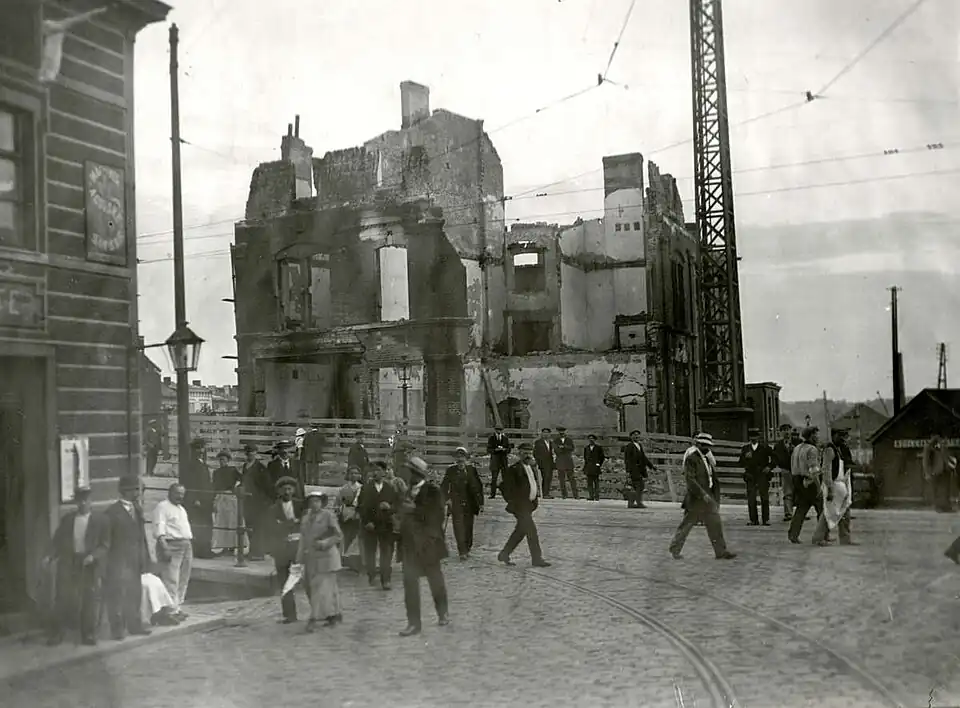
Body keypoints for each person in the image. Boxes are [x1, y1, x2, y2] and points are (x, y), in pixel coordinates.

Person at [45, 487, 108, 646]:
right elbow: (57, 542)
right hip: (68, 561)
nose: (82, 504)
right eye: (79, 501)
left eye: (85, 500)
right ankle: (57, 633)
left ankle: (88, 634)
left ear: (90, 501)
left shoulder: (100, 520)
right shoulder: (68, 519)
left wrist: (93, 556)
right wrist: (50, 556)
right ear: (75, 502)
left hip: (88, 564)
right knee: (62, 597)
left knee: (89, 599)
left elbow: (105, 545)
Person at [398, 456, 450, 637]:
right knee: (410, 585)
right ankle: (413, 623)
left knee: (436, 582)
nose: (407, 475)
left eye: (410, 472)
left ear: (417, 474)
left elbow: (437, 517)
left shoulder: (432, 491)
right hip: (410, 546)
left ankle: (443, 612)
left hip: (429, 545)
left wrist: (414, 511)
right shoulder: (407, 492)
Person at [669, 433, 737, 561]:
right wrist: (702, 494)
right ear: (698, 445)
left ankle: (721, 551)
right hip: (696, 499)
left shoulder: (707, 459)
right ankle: (675, 548)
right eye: (704, 445)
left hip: (709, 498)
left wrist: (714, 497)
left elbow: (712, 478)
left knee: (715, 524)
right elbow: (690, 479)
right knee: (686, 526)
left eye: (708, 445)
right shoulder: (691, 458)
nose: (707, 448)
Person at [104, 475, 152, 640]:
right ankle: (117, 629)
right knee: (117, 594)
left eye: (137, 489)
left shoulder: (137, 509)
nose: (138, 492)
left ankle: (134, 625)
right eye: (134, 489)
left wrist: (144, 557)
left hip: (134, 561)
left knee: (134, 593)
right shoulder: (111, 513)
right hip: (118, 561)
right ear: (125, 491)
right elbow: (108, 540)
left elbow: (141, 536)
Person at [497, 442, 551, 568]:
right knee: (531, 531)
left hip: (529, 505)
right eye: (525, 453)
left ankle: (504, 554)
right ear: (519, 453)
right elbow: (505, 488)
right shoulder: (513, 470)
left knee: (520, 531)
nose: (527, 455)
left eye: (529, 453)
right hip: (520, 507)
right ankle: (537, 559)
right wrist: (514, 503)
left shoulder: (532, 467)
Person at [297, 491, 343, 632]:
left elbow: (338, 535)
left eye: (317, 501)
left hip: (327, 556)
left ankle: (314, 618)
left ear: (322, 503)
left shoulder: (328, 516)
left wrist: (324, 543)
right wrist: (298, 558)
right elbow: (303, 539)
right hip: (312, 558)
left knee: (320, 588)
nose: (314, 504)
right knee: (320, 588)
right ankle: (334, 614)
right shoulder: (305, 518)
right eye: (312, 501)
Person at [152, 482, 193, 621]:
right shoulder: (163, 507)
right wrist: (164, 546)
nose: (180, 496)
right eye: (177, 493)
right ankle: (169, 611)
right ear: (170, 493)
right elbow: (159, 527)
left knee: (183, 578)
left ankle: (177, 607)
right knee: (171, 578)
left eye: (182, 494)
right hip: (172, 545)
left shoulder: (181, 509)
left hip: (185, 545)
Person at [811, 429, 859, 547]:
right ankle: (818, 538)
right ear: (834, 436)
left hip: (841, 484)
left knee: (844, 512)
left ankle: (845, 538)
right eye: (840, 436)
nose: (843, 439)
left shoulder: (839, 450)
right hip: (833, 484)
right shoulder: (830, 450)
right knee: (828, 513)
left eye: (844, 436)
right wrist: (830, 488)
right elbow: (826, 470)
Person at [357, 462, 400, 590]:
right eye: (373, 470)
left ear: (384, 472)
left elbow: (397, 506)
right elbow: (360, 507)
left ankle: (385, 579)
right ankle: (371, 576)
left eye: (379, 470)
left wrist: (390, 507)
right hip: (370, 525)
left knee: (386, 552)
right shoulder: (366, 488)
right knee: (370, 552)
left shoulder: (389, 488)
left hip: (385, 525)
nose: (376, 473)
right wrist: (366, 522)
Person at [269, 476, 306, 623]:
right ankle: (290, 615)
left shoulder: (301, 506)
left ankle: (319, 611)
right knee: (285, 581)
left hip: (298, 547)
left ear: (294, 490)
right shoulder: (273, 509)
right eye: (284, 489)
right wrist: (290, 523)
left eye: (290, 489)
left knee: (306, 579)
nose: (287, 492)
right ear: (279, 491)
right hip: (282, 548)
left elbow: (304, 523)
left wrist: (285, 524)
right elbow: (272, 527)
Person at [441, 447, 485, 560]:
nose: (460, 459)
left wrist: (481, 503)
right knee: (458, 527)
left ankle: (467, 548)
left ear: (466, 458)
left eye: (462, 457)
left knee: (468, 527)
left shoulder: (472, 470)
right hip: (456, 504)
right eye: (458, 457)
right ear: (455, 459)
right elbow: (444, 487)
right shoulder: (451, 471)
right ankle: (462, 551)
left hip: (470, 504)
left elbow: (478, 487)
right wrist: (447, 499)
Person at [788, 426, 824, 544]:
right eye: (816, 434)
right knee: (821, 509)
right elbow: (813, 469)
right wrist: (818, 487)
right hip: (808, 480)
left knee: (801, 508)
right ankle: (822, 536)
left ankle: (793, 534)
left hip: (796, 479)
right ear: (812, 435)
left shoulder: (797, 448)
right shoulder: (812, 449)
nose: (818, 437)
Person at [183, 438, 214, 559]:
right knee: (199, 524)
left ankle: (206, 548)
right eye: (198, 448)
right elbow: (191, 483)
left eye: (202, 448)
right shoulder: (193, 464)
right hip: (199, 500)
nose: (201, 450)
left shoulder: (202, 463)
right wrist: (195, 498)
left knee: (206, 524)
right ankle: (200, 550)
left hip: (205, 499)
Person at [240, 444, 272, 561]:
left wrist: (263, 500)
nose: (250, 454)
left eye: (252, 452)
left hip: (258, 503)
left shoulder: (260, 468)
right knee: (249, 527)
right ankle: (252, 551)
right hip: (247, 501)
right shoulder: (245, 466)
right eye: (248, 452)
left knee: (258, 528)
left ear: (256, 453)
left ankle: (258, 553)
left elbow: (267, 486)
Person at [739, 427, 774, 526]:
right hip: (750, 475)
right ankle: (753, 519)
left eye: (755, 436)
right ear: (749, 437)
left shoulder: (765, 447)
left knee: (764, 497)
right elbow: (740, 463)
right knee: (751, 498)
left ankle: (766, 519)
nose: (753, 438)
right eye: (751, 436)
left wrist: (769, 467)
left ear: (758, 437)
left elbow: (775, 458)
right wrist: (745, 458)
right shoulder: (745, 449)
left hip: (762, 474)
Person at [211, 450, 242, 556]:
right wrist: (214, 500)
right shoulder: (216, 472)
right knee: (221, 522)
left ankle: (232, 547)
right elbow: (214, 486)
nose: (221, 462)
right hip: (220, 497)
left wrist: (236, 488)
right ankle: (223, 546)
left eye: (223, 460)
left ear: (228, 461)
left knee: (231, 522)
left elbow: (241, 479)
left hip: (230, 497)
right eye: (220, 460)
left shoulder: (232, 470)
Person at [622, 430, 657, 509]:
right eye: (634, 435)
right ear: (631, 437)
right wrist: (628, 471)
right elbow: (627, 460)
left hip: (640, 469)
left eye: (638, 435)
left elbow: (643, 458)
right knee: (639, 485)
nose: (636, 436)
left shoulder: (639, 445)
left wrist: (651, 466)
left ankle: (632, 503)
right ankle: (638, 502)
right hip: (633, 469)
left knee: (637, 486)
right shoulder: (629, 446)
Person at [337, 467, 364, 558]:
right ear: (348, 475)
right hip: (345, 512)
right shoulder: (343, 488)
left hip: (357, 513)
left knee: (355, 534)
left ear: (359, 475)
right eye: (351, 473)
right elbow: (338, 502)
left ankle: (352, 555)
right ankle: (343, 554)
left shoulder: (361, 488)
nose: (353, 475)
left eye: (356, 473)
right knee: (345, 534)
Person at [771, 424, 795, 522]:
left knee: (800, 492)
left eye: (788, 430)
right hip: (786, 471)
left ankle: (800, 513)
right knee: (787, 492)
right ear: (780, 432)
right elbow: (775, 458)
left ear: (790, 431)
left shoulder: (798, 442)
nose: (786, 432)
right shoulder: (778, 445)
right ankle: (788, 513)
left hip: (798, 470)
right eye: (784, 430)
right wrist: (781, 467)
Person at [554, 426, 579, 499]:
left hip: (568, 461)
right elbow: (556, 450)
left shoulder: (569, 440)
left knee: (572, 479)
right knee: (562, 479)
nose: (562, 433)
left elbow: (572, 448)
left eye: (563, 432)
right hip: (560, 462)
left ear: (565, 432)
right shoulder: (556, 440)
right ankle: (564, 495)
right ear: (558, 432)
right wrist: (563, 449)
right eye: (560, 432)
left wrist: (564, 447)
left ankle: (576, 495)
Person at [486, 424, 511, 499]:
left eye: (500, 430)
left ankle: (506, 494)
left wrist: (504, 450)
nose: (498, 431)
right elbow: (488, 449)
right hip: (495, 460)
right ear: (495, 430)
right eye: (497, 430)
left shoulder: (505, 438)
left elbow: (509, 449)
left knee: (505, 478)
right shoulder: (491, 438)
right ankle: (492, 494)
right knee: (494, 478)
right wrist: (495, 450)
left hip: (503, 460)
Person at [533, 428, 556, 498]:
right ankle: (544, 493)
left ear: (549, 434)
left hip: (550, 463)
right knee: (544, 478)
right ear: (542, 434)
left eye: (547, 433)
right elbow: (535, 453)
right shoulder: (538, 442)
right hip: (542, 463)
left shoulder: (551, 443)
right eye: (544, 432)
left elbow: (553, 453)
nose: (545, 434)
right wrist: (537, 462)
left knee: (548, 478)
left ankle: (546, 493)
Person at [583, 434, 606, 501]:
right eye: (590, 438)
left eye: (592, 438)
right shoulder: (586, 448)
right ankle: (591, 496)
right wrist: (585, 467)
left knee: (596, 482)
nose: (591, 440)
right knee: (589, 483)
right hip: (589, 468)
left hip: (595, 468)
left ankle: (597, 496)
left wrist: (598, 464)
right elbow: (585, 458)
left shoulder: (598, 448)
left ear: (595, 440)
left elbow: (602, 457)